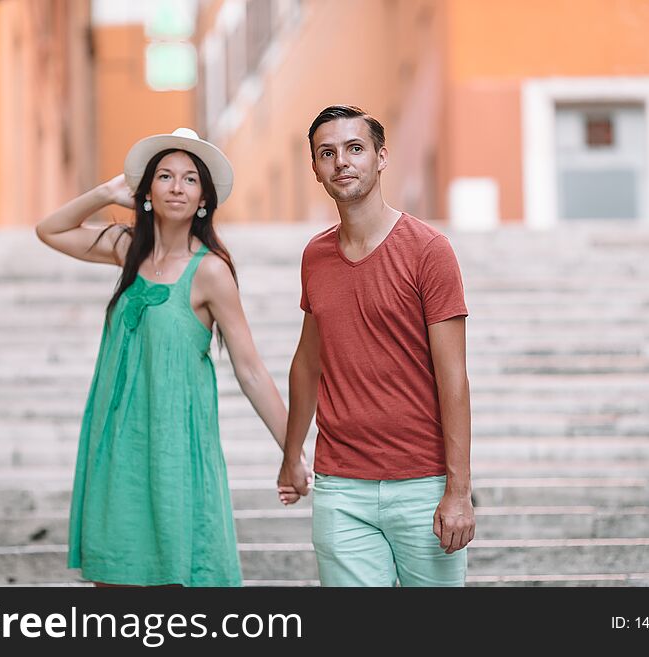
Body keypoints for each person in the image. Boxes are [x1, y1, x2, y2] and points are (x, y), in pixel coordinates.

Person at [36, 128, 307, 587]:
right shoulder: (125, 249)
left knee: (177, 579)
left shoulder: (212, 272)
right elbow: (50, 230)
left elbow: (251, 370)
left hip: (174, 445)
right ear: (147, 192)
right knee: (114, 574)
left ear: (204, 197)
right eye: (164, 176)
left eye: (189, 179)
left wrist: (293, 452)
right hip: (116, 440)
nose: (177, 187)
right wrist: (107, 192)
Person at [277, 106, 475, 587]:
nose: (342, 161)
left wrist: (458, 490)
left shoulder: (429, 250)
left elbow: (454, 378)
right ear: (316, 169)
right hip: (341, 487)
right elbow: (307, 363)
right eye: (328, 153)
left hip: (423, 485)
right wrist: (290, 453)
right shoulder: (315, 256)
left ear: (381, 157)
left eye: (355, 148)